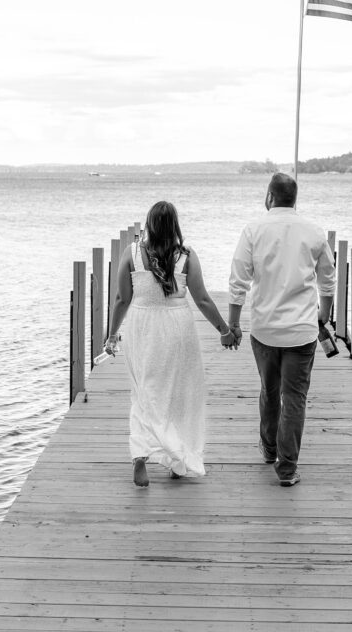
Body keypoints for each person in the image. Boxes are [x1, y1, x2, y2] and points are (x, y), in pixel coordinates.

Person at [105, 200, 236, 488]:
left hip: (142, 327)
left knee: (143, 392)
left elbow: (122, 299)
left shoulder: (131, 254)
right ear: (175, 224)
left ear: (149, 223)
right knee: (178, 394)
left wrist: (112, 335)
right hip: (177, 328)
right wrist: (224, 330)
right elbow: (201, 299)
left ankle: (140, 456)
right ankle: (177, 459)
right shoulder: (186, 256)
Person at [228, 172, 336, 486]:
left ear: (270, 197)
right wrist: (324, 314)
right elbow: (327, 279)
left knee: (270, 390)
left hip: (264, 329)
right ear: (294, 198)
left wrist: (233, 324)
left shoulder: (253, 230)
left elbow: (238, 282)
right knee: (296, 397)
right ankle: (287, 468)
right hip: (302, 330)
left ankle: (269, 447)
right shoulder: (314, 232)